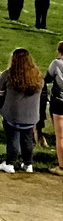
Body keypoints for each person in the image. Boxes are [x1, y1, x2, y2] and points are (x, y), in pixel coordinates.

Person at [0, 48, 43, 174]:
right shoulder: (38, 77)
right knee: (27, 139)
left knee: (13, 138)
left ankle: (10, 163)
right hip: (31, 117)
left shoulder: (7, 75)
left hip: (12, 116)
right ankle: (28, 164)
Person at [44, 41, 63, 176]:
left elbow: (47, 78)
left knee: (61, 137)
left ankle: (62, 166)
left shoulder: (57, 63)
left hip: (59, 102)